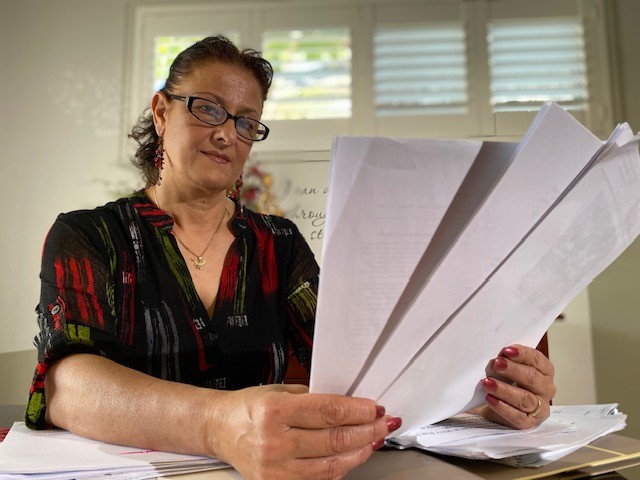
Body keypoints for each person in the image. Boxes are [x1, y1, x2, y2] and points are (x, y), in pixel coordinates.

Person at [26, 35, 556, 480]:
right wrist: (219, 425)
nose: (225, 133)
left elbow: (360, 366)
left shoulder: (278, 243)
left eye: (245, 121)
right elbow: (67, 386)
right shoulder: (89, 235)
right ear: (161, 112)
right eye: (207, 107)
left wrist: (479, 398)